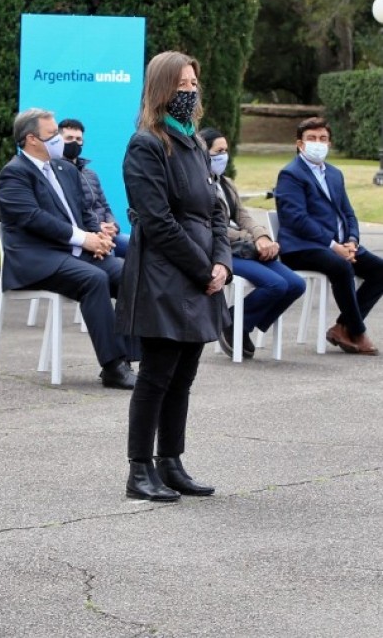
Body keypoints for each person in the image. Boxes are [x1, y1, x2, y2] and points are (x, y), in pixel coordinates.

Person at [116, 51, 230, 502]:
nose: (190, 92)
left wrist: (222, 262)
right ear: (162, 90)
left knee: (184, 376)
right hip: (167, 276)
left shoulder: (197, 143)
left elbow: (217, 211)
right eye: (180, 85)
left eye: (193, 84)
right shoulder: (147, 144)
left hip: (201, 274)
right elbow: (158, 220)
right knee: (157, 375)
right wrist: (204, 269)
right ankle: (139, 470)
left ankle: (172, 462)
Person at [0, 108, 137, 390]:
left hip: (77, 253)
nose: (60, 141)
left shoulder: (65, 169)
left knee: (130, 275)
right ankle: (113, 366)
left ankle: (130, 358)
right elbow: (33, 219)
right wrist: (83, 239)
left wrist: (98, 237)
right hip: (38, 259)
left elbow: (84, 212)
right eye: (52, 136)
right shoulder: (14, 174)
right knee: (94, 280)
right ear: (32, 139)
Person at [276, 116, 383, 355]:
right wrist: (335, 246)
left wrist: (352, 242)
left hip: (339, 246)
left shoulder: (334, 174)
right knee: (341, 267)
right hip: (301, 248)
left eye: (323, 139)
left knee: (379, 270)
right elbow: (297, 219)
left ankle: (343, 327)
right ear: (300, 144)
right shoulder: (291, 174)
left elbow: (348, 213)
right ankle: (357, 331)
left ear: (329, 144)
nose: (318, 143)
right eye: (311, 138)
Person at [200, 127, 305, 358]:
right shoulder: (197, 185)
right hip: (218, 251)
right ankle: (233, 322)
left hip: (243, 249)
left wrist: (262, 236)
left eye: (226, 150)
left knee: (296, 284)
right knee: (276, 284)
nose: (224, 156)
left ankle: (242, 322)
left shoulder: (225, 182)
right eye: (219, 151)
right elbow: (211, 226)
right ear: (203, 153)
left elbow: (243, 215)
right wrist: (252, 240)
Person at [58, 117, 129, 257]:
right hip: (86, 236)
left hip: (107, 232)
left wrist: (112, 226)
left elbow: (104, 205)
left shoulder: (90, 174)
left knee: (138, 247)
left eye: (78, 139)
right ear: (58, 140)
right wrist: (97, 229)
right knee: (110, 253)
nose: (74, 142)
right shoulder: (56, 173)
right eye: (69, 138)